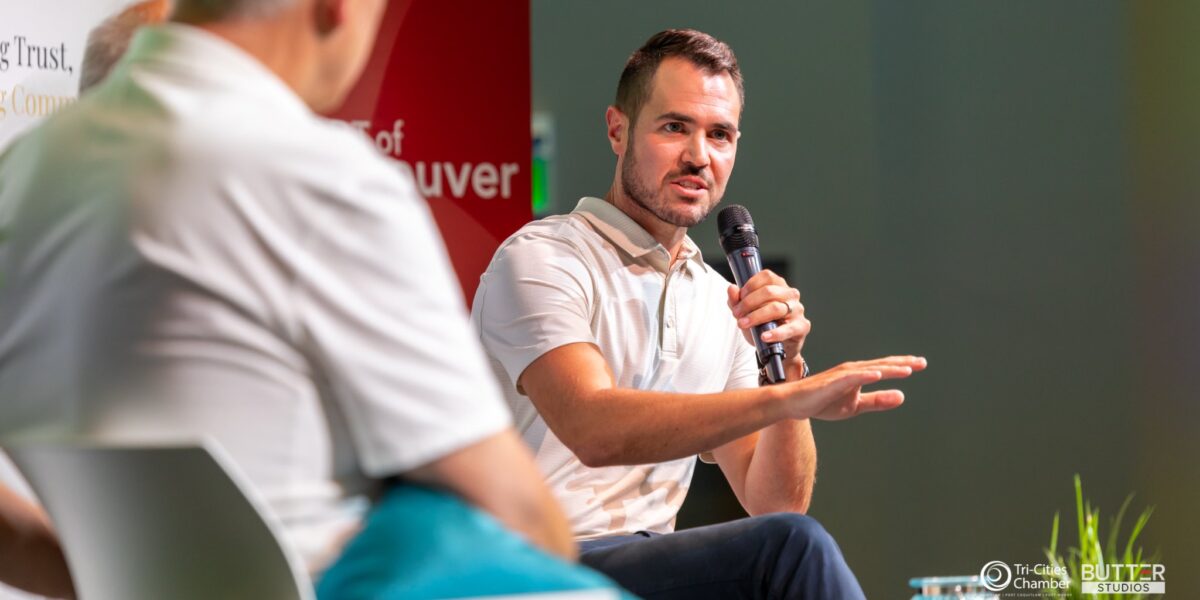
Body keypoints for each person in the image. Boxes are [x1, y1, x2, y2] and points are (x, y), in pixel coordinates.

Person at [0, 0, 623, 597]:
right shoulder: (317, 176)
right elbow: (521, 522)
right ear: (337, 6)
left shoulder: (20, 173)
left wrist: (130, 580)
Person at [471, 29, 927, 599]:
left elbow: (776, 503)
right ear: (618, 129)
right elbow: (592, 429)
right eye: (674, 127)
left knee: (791, 537)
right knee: (791, 550)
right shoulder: (543, 257)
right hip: (525, 565)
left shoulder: (722, 300)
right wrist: (788, 397)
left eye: (719, 135)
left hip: (642, 566)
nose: (699, 156)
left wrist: (782, 370)